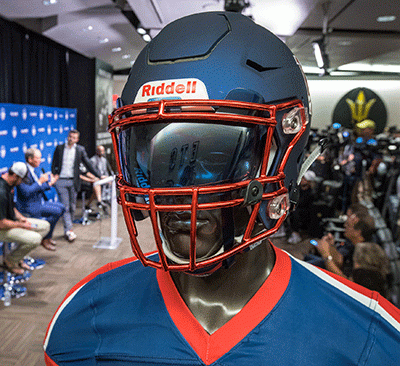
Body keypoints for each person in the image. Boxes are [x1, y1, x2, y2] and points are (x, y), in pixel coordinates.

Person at [44, 12, 400, 365]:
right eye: (158, 158)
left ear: (283, 155)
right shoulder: (81, 319)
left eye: (215, 157)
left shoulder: (371, 338)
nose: (180, 194)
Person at [0, 162, 50, 275]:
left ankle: (18, 256)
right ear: (15, 176)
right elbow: (2, 224)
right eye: (21, 180)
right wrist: (22, 225)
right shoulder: (1, 192)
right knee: (35, 239)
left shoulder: (8, 184)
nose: (22, 182)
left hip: (10, 222)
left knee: (44, 226)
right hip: (2, 228)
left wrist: (21, 218)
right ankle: (10, 261)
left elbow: (11, 208)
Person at [51, 129, 100, 242]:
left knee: (72, 206)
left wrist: (98, 175)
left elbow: (88, 163)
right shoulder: (59, 148)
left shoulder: (80, 150)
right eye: (69, 136)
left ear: (77, 139)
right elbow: (54, 163)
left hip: (74, 181)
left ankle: (69, 227)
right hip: (61, 181)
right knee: (65, 206)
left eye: (73, 137)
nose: (70, 139)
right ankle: (69, 230)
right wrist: (55, 175)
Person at [15, 148, 65, 251]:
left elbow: (37, 187)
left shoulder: (33, 170)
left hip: (38, 202)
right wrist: (40, 182)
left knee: (62, 208)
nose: (40, 160)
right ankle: (45, 238)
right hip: (28, 206)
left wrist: (48, 183)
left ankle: (46, 237)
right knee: (57, 211)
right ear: (30, 159)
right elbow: (26, 192)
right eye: (38, 158)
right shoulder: (23, 172)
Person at [83, 145, 113, 213]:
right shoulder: (92, 160)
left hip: (103, 179)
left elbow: (105, 171)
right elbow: (91, 172)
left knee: (96, 192)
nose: (102, 152)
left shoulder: (104, 160)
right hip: (94, 179)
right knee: (97, 186)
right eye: (100, 151)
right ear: (97, 151)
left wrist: (107, 179)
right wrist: (99, 177)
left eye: (103, 151)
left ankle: (94, 203)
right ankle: (100, 202)